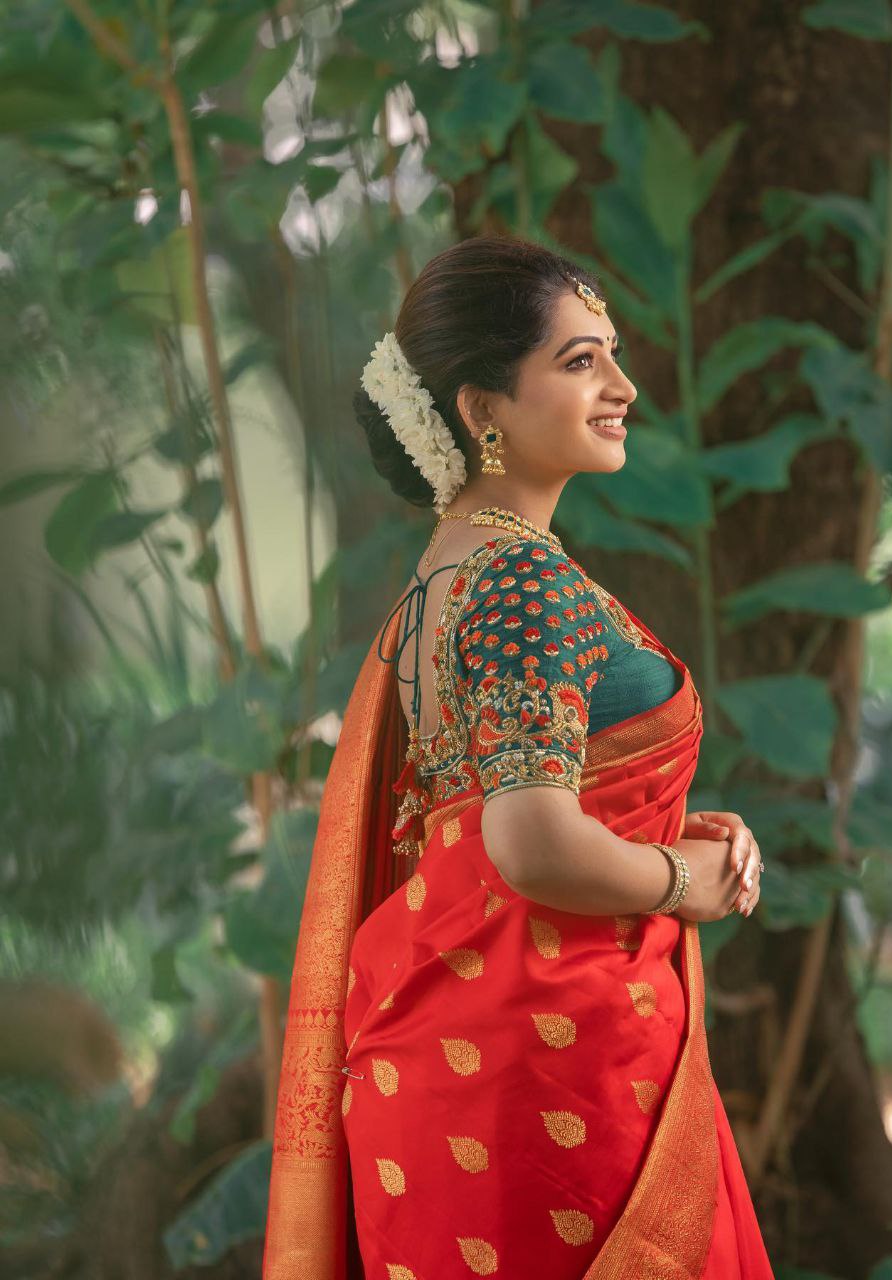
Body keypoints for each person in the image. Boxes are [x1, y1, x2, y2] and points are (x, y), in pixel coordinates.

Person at [263, 235, 774, 1279]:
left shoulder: (439, 578)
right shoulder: (520, 579)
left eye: (611, 355)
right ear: (480, 408)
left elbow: (506, 808)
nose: (621, 386)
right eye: (579, 361)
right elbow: (531, 841)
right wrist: (687, 879)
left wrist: (661, 835)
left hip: (464, 1071)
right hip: (550, 1085)